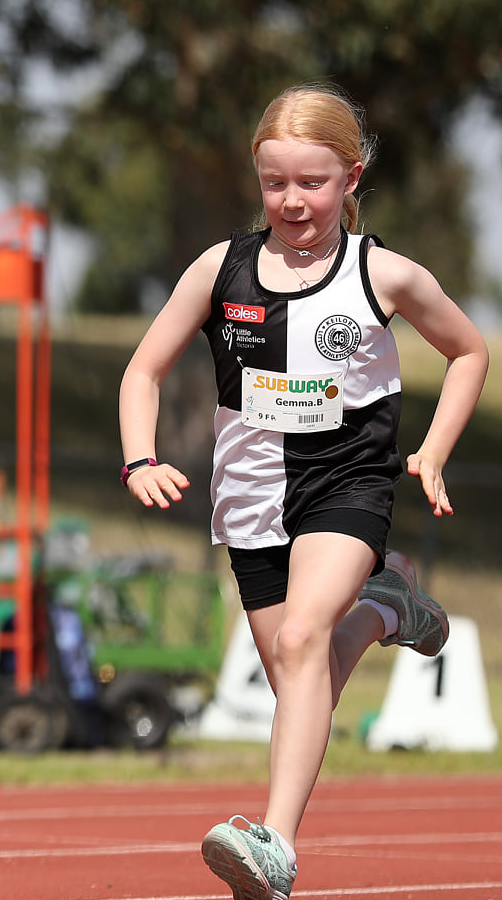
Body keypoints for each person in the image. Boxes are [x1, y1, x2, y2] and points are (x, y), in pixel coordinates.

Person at [119, 84, 487, 900]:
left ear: (351, 178)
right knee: (302, 683)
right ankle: (390, 607)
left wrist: (432, 450)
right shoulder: (222, 268)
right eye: (274, 181)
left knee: (300, 648)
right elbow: (143, 369)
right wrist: (139, 458)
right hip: (249, 496)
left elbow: (468, 351)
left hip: (348, 486)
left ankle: (275, 846)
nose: (292, 201)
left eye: (312, 183)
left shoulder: (382, 274)